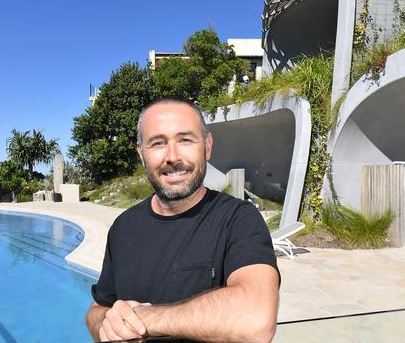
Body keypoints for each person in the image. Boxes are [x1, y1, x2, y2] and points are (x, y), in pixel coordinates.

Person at [86, 98, 280, 342]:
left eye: (185, 140)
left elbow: (256, 320)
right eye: (157, 143)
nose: (172, 156)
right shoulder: (123, 227)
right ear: (141, 154)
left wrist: (144, 319)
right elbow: (96, 309)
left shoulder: (238, 220)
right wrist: (108, 323)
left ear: (207, 147)